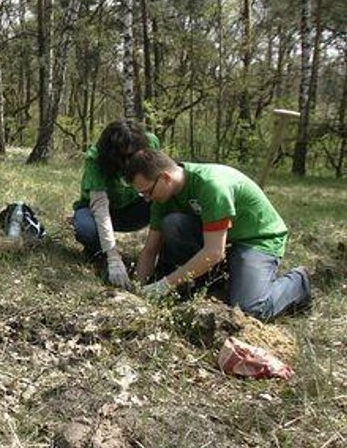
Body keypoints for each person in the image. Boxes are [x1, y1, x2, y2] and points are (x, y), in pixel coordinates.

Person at [126, 149, 311, 321]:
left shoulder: (211, 186)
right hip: (220, 239)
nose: (148, 199)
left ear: (165, 177)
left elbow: (214, 252)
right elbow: (150, 250)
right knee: (172, 223)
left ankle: (299, 282)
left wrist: (164, 285)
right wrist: (138, 291)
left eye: (148, 192)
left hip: (255, 239)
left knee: (250, 310)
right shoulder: (162, 198)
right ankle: (216, 280)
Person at [71, 119, 160, 288]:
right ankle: (99, 254)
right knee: (84, 227)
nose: (127, 163)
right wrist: (113, 257)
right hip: (102, 213)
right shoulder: (95, 158)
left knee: (164, 200)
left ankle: (165, 262)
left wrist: (150, 251)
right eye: (123, 157)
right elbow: (100, 208)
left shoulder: (151, 143)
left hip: (136, 209)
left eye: (132, 155)